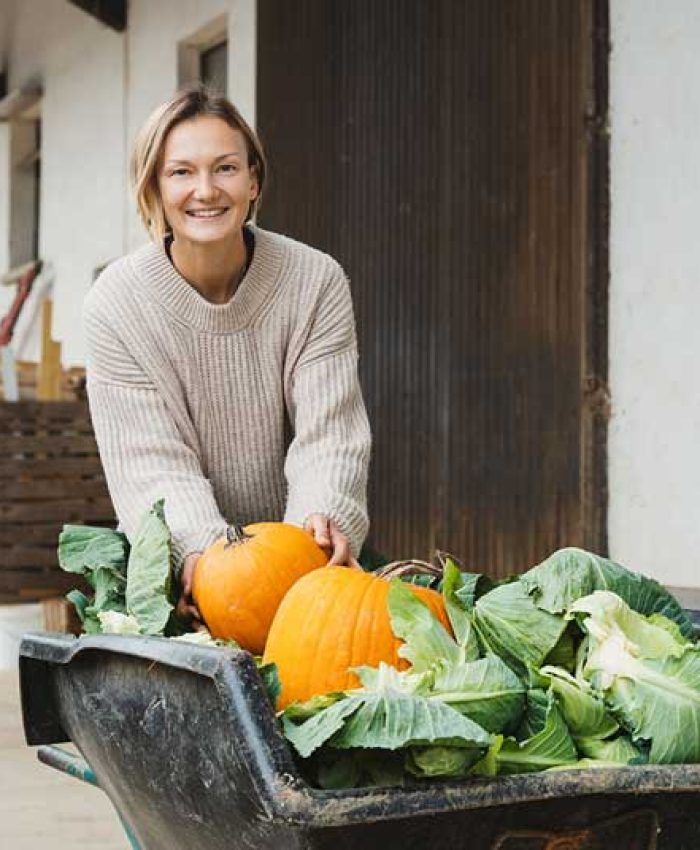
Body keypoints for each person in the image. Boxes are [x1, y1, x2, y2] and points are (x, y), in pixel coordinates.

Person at [82, 84, 372, 622]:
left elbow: (329, 431)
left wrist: (319, 524)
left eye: (226, 168)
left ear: (253, 179)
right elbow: (151, 464)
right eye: (181, 172)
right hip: (188, 573)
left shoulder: (315, 281)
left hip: (309, 562)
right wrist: (205, 556)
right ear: (154, 187)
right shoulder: (116, 304)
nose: (206, 190)